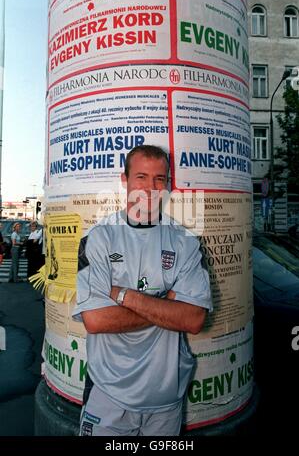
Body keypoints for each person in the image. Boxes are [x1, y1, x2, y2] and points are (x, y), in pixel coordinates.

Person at [73, 145, 212, 436]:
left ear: (168, 185)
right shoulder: (98, 239)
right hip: (109, 395)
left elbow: (194, 320)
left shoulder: (185, 242)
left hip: (166, 402)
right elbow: (96, 321)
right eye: (141, 177)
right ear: (124, 181)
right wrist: (169, 306)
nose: (150, 188)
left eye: (159, 179)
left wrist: (124, 296)